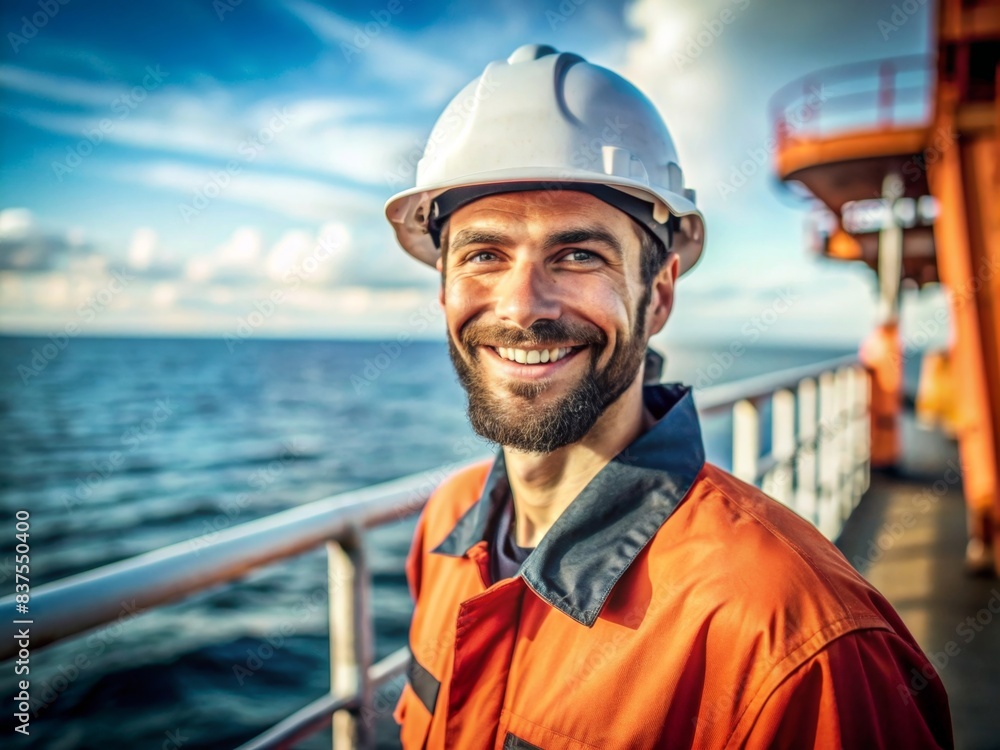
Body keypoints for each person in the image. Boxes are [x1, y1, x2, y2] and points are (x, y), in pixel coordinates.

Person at [384, 44, 953, 749]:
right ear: (444, 290)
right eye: (483, 255)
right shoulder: (448, 521)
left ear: (658, 296)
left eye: (578, 255)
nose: (523, 306)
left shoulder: (792, 637)